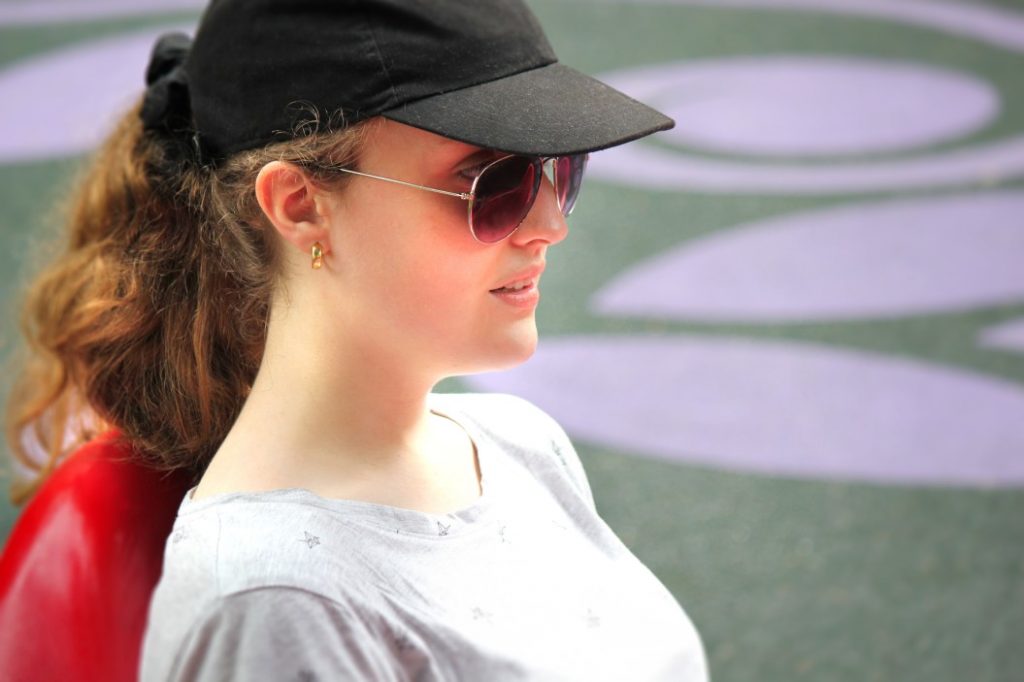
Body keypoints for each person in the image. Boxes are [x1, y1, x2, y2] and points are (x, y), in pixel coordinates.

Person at [5, 0, 709, 679]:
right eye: (493, 182)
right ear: (301, 205)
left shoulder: (519, 443)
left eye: (559, 169)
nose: (551, 222)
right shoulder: (276, 604)